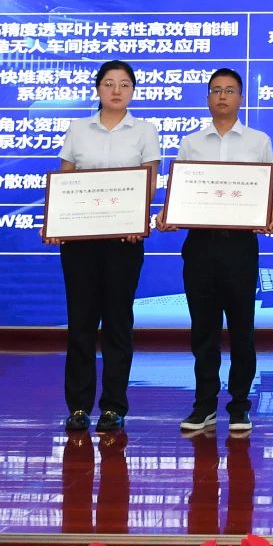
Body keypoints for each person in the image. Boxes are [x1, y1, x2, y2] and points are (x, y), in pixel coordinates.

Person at [157, 68, 273, 434]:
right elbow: (181, 191)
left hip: (240, 246)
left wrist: (270, 213)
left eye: (229, 90)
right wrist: (169, 214)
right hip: (201, 245)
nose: (222, 96)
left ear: (241, 98)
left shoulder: (258, 141)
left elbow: (268, 190)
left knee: (242, 329)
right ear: (208, 98)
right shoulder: (192, 143)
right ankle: (204, 404)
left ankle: (240, 405)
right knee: (204, 330)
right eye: (216, 90)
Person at [47, 59, 160, 433]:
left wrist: (137, 220)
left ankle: (113, 406)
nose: (116, 90)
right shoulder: (78, 129)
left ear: (133, 91)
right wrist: (58, 223)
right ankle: (78, 407)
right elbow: (65, 180)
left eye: (124, 84)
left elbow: (149, 183)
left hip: (123, 242)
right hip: (80, 243)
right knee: (80, 322)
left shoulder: (144, 131)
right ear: (97, 88)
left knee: (117, 323)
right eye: (109, 83)